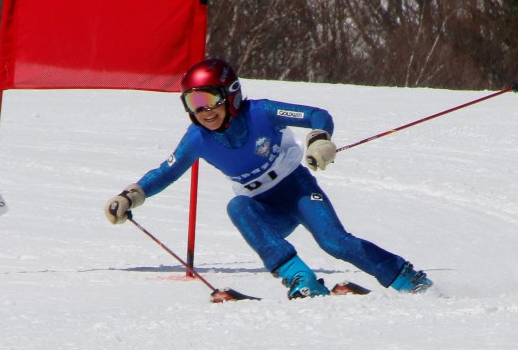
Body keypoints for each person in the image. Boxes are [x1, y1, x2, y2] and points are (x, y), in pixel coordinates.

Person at [104, 58, 433, 298]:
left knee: (334, 242)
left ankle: (405, 276)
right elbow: (167, 171)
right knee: (237, 206)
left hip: (296, 188)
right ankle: (301, 279)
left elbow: (317, 115)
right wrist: (131, 195)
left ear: (230, 94)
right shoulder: (197, 139)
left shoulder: (260, 112)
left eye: (210, 99)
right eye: (194, 102)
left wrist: (319, 138)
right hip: (264, 207)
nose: (204, 111)